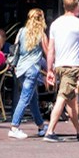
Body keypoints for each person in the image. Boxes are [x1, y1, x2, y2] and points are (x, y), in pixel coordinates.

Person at [43, 0, 79, 142]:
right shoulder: (78, 23)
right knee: (62, 98)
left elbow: (50, 49)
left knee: (71, 100)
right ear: (77, 7)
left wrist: (49, 69)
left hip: (59, 66)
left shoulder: (55, 23)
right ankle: (50, 131)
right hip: (71, 66)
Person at [8, 9, 48, 139]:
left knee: (32, 99)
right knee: (25, 98)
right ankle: (14, 127)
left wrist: (14, 65)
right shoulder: (41, 34)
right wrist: (51, 69)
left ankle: (41, 126)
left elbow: (15, 49)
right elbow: (48, 52)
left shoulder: (21, 31)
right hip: (32, 69)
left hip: (20, 69)